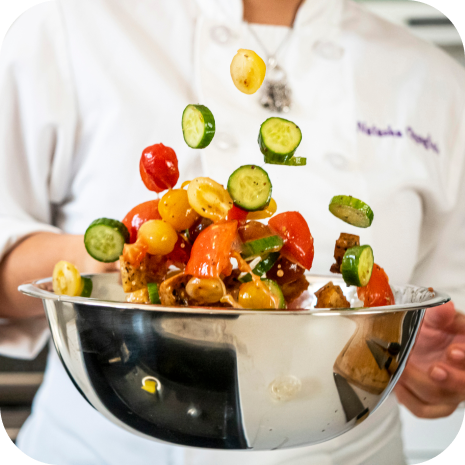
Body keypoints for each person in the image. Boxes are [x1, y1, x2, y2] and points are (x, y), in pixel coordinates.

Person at [1, 0, 464, 463]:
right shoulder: (67, 22)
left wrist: (424, 359)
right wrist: (106, 262)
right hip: (103, 445)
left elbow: (443, 300)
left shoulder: (434, 79)